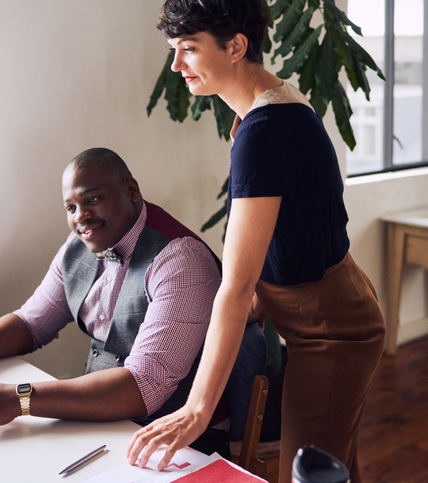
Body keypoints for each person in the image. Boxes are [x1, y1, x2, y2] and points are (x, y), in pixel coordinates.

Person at [125, 2, 386, 482]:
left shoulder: (266, 130)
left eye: (188, 49)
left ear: (236, 46)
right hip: (327, 309)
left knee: (305, 474)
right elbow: (289, 235)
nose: (177, 65)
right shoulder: (266, 111)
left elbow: (237, 284)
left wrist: (198, 410)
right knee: (333, 471)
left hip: (332, 331)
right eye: (173, 51)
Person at [0, 147, 229, 452]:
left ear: (131, 191)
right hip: (101, 425)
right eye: (70, 207)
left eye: (92, 200)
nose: (80, 216)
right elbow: (31, 324)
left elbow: (143, 387)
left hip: (175, 442)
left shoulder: (181, 260)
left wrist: (19, 399)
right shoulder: (79, 245)